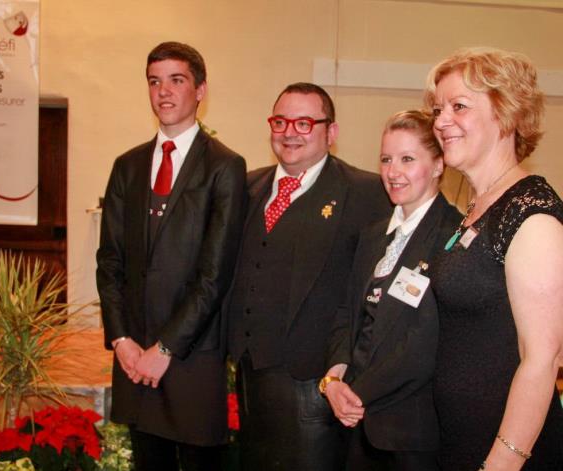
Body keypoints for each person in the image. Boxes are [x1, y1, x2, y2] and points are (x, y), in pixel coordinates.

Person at [96, 41, 247, 471]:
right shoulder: (127, 165)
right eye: (154, 82)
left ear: (200, 90)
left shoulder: (224, 166)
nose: (163, 91)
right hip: (134, 354)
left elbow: (215, 274)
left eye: (176, 80)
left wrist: (164, 348)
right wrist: (122, 339)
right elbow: (110, 261)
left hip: (191, 355)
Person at [227, 82, 391, 470]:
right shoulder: (247, 187)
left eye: (304, 123)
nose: (289, 132)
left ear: (330, 133)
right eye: (280, 121)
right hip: (250, 380)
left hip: (316, 387)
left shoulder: (366, 192)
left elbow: (376, 291)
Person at [426, 47, 563, 471]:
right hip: (461, 440)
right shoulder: (477, 206)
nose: (441, 121)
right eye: (437, 109)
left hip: (507, 455)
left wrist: (501, 463)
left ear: (506, 115)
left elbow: (543, 359)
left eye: (459, 106)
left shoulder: (531, 214)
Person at [323, 110, 461, 471]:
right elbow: (346, 314)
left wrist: (355, 393)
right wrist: (334, 377)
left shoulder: (453, 236)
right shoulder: (372, 236)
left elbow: (423, 343)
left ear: (438, 165)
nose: (393, 172)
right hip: (356, 425)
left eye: (407, 159)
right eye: (386, 159)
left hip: (409, 433)